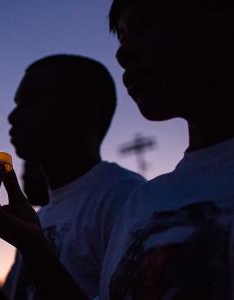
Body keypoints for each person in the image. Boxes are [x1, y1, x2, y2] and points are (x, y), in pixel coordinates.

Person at [0, 55, 145, 300]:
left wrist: (34, 249)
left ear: (86, 110)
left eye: (28, 101)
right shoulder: (42, 216)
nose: (12, 117)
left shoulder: (125, 201)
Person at [95, 1, 234, 299]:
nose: (123, 54)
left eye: (147, 21)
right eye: (122, 37)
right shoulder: (143, 202)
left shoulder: (120, 194)